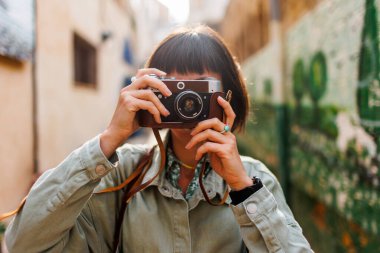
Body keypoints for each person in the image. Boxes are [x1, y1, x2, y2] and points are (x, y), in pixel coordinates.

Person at [5, 25, 313, 252]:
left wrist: (243, 189)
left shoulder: (254, 180)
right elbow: (23, 244)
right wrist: (110, 138)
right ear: (150, 91)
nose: (188, 103)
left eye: (201, 89)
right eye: (177, 89)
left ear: (228, 96)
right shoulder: (122, 175)